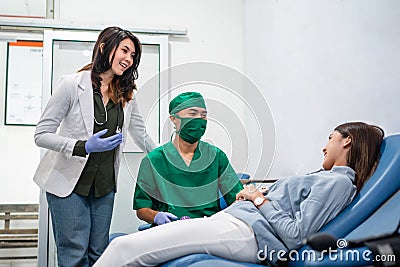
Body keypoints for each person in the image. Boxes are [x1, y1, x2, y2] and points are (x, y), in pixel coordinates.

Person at [93, 122, 384, 267]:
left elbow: (295, 235)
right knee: (125, 246)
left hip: (246, 232)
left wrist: (259, 198)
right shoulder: (325, 178)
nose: (324, 147)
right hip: (234, 222)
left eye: (330, 138)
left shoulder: (338, 183)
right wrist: (256, 196)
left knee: (124, 250)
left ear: (348, 141)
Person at [33, 26, 156, 267]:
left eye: (133, 56)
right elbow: (41, 135)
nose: (129, 59)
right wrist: (82, 146)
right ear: (104, 47)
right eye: (125, 51)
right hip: (69, 184)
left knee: (99, 253)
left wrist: (166, 159)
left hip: (104, 186)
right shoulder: (71, 85)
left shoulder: (126, 93)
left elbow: (141, 135)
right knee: (74, 253)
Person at [133, 91, 243, 226]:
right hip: (169, 229)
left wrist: (252, 197)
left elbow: (236, 196)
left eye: (203, 115)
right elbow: (142, 209)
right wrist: (156, 216)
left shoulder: (216, 156)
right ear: (174, 118)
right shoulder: (154, 160)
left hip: (208, 228)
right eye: (192, 114)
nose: (199, 119)